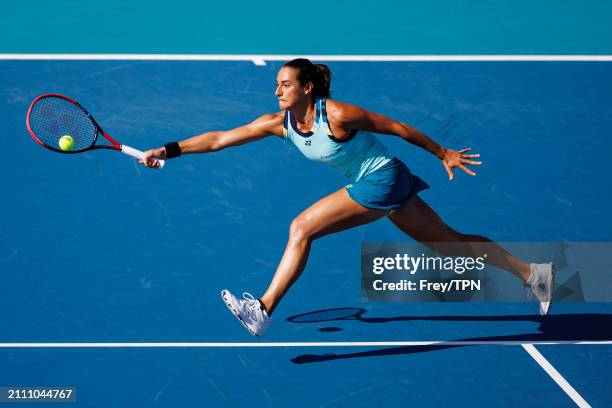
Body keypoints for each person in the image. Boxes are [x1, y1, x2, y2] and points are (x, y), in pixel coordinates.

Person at [140, 58, 554, 337]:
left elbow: (396, 127)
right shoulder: (278, 124)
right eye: (276, 84)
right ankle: (534, 275)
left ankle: (263, 308)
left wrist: (442, 152)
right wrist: (169, 149)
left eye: (285, 84)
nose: (277, 90)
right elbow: (219, 139)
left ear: (307, 88)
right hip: (388, 184)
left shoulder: (336, 115)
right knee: (448, 243)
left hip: (382, 178)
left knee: (301, 228)